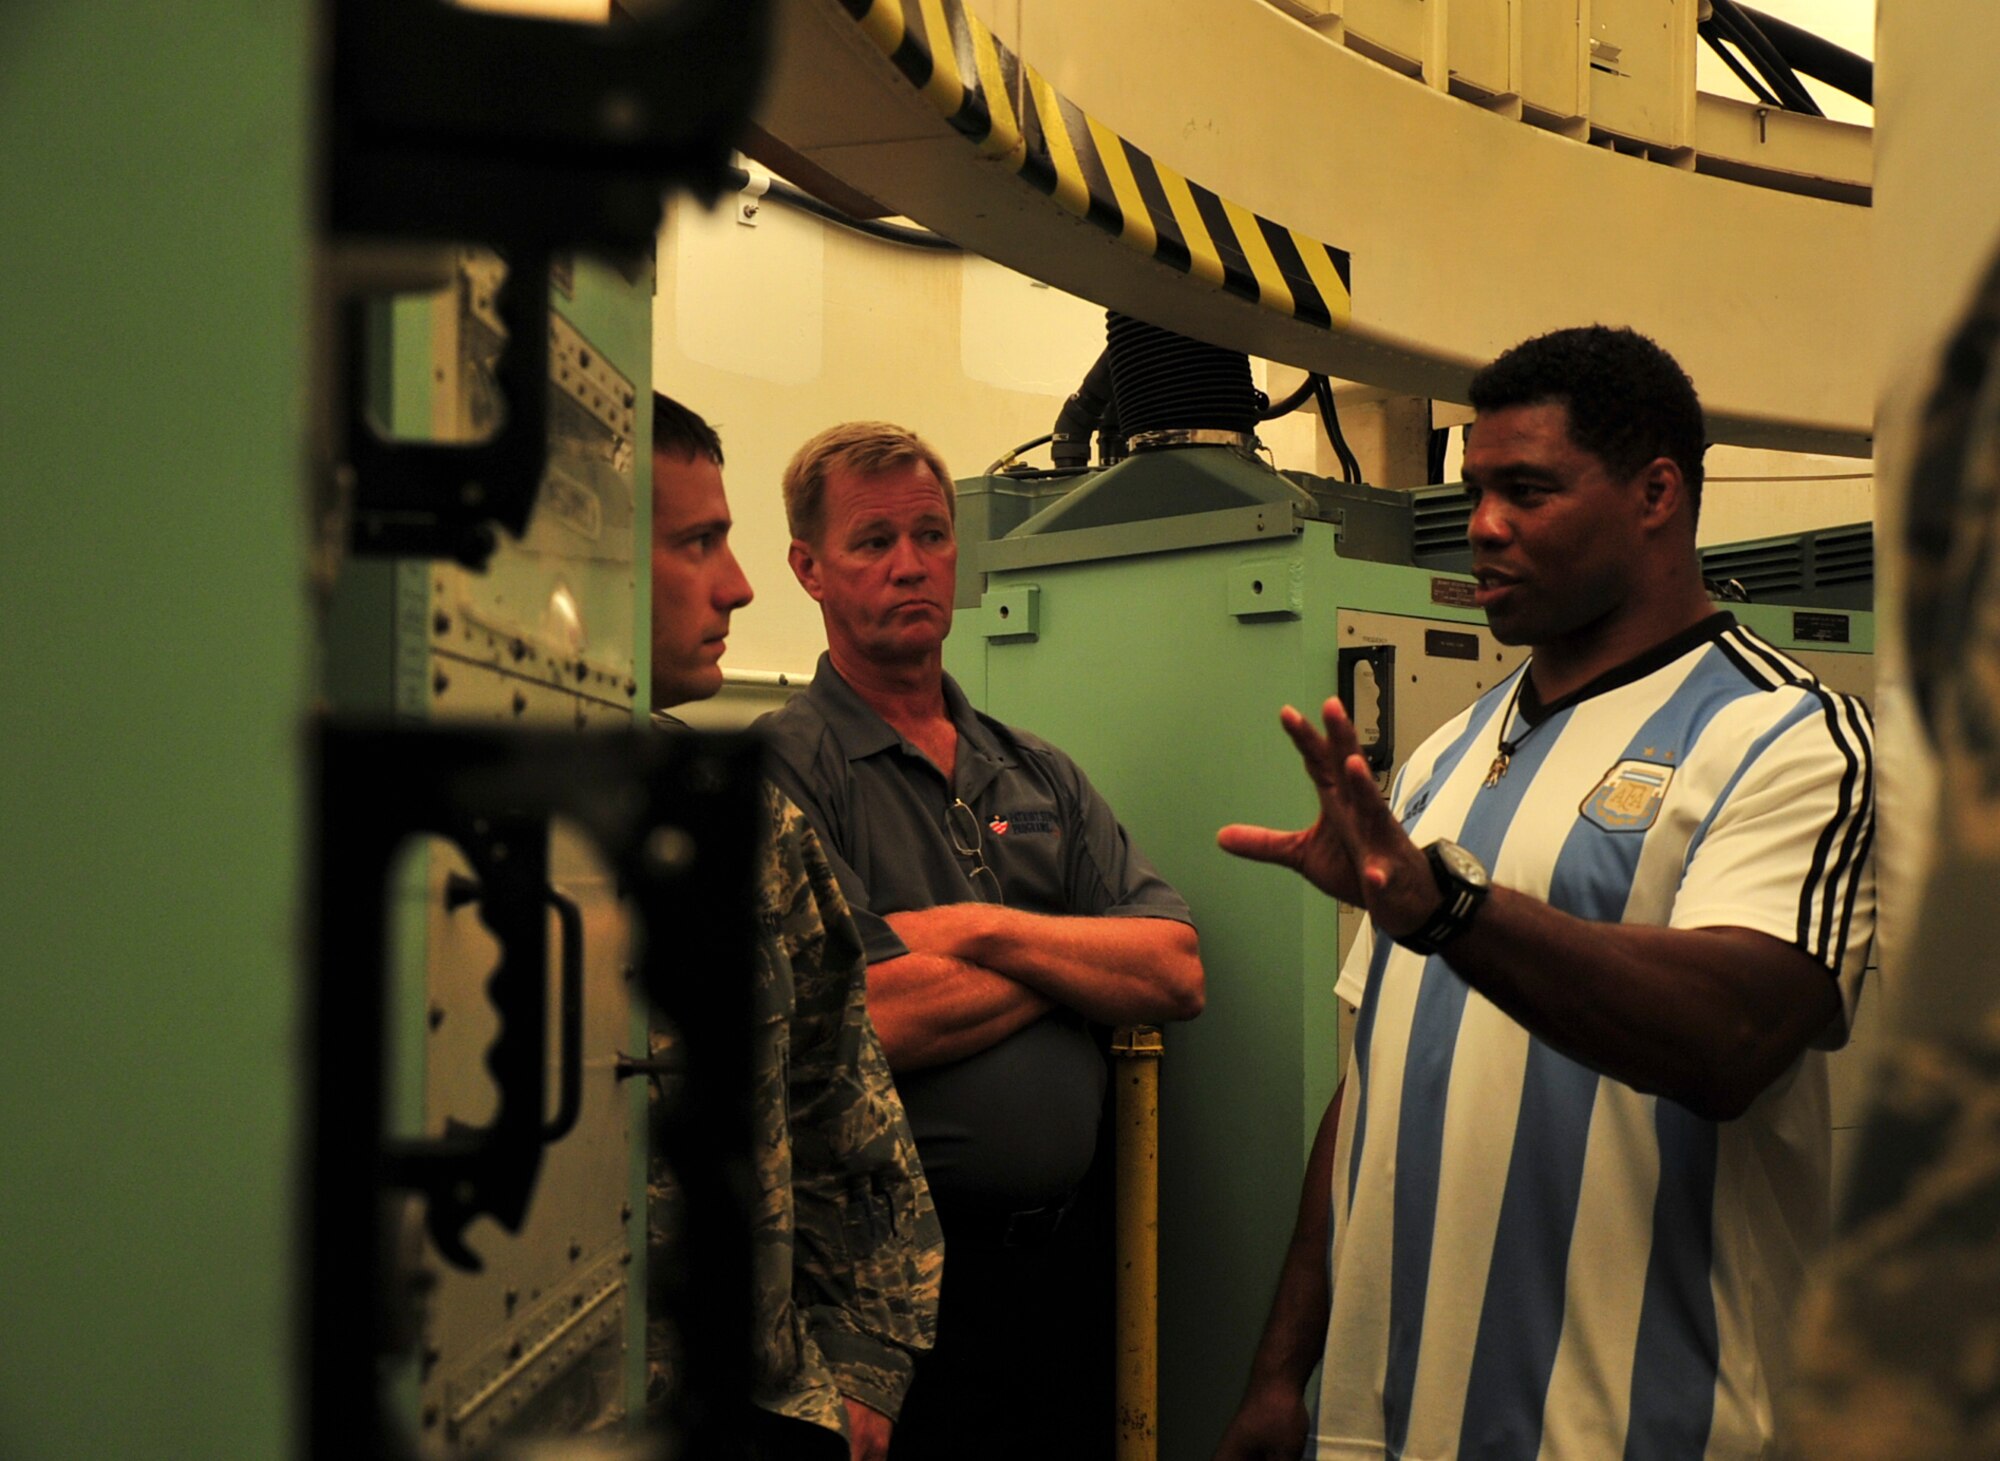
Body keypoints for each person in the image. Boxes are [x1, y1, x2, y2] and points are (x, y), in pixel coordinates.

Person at [1213, 327, 1877, 1461]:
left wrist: (1449, 913)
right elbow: (1368, 1074)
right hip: (1385, 1430)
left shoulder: (1784, 740)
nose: (1481, 526)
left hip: (1633, 1428)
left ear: (1655, 492)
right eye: (1471, 491)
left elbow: (1729, 1039)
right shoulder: (1440, 757)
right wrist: (1282, 1375)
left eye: (1525, 490)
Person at [756, 420, 1207, 1459]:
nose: (909, 564)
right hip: (879, 1293)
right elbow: (857, 1019)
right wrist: (1079, 964)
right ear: (808, 569)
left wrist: (976, 930)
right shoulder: (787, 767)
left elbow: (1174, 970)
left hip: (1064, 1269)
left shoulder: (1033, 769)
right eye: (872, 543)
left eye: (929, 535)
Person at [643, 393, 942, 1461]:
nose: (737, 585)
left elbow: (837, 1100)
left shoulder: (739, 832)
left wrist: (862, 1362)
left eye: (930, 535)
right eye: (695, 543)